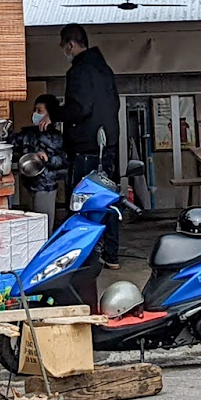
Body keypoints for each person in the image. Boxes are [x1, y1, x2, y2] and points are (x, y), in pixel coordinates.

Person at [57, 24, 124, 267]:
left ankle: (84, 257)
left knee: (82, 203)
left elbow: (80, 108)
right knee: (108, 201)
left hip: (86, 147)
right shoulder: (105, 70)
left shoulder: (79, 72)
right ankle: (111, 255)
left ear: (70, 45)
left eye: (63, 46)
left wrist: (55, 113)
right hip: (109, 144)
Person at [12, 93, 69, 231]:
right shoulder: (28, 134)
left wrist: (48, 158)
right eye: (35, 111)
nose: (35, 114)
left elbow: (64, 160)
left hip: (46, 187)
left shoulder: (57, 138)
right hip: (28, 185)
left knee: (42, 228)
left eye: (40, 111)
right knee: (30, 227)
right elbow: (11, 142)